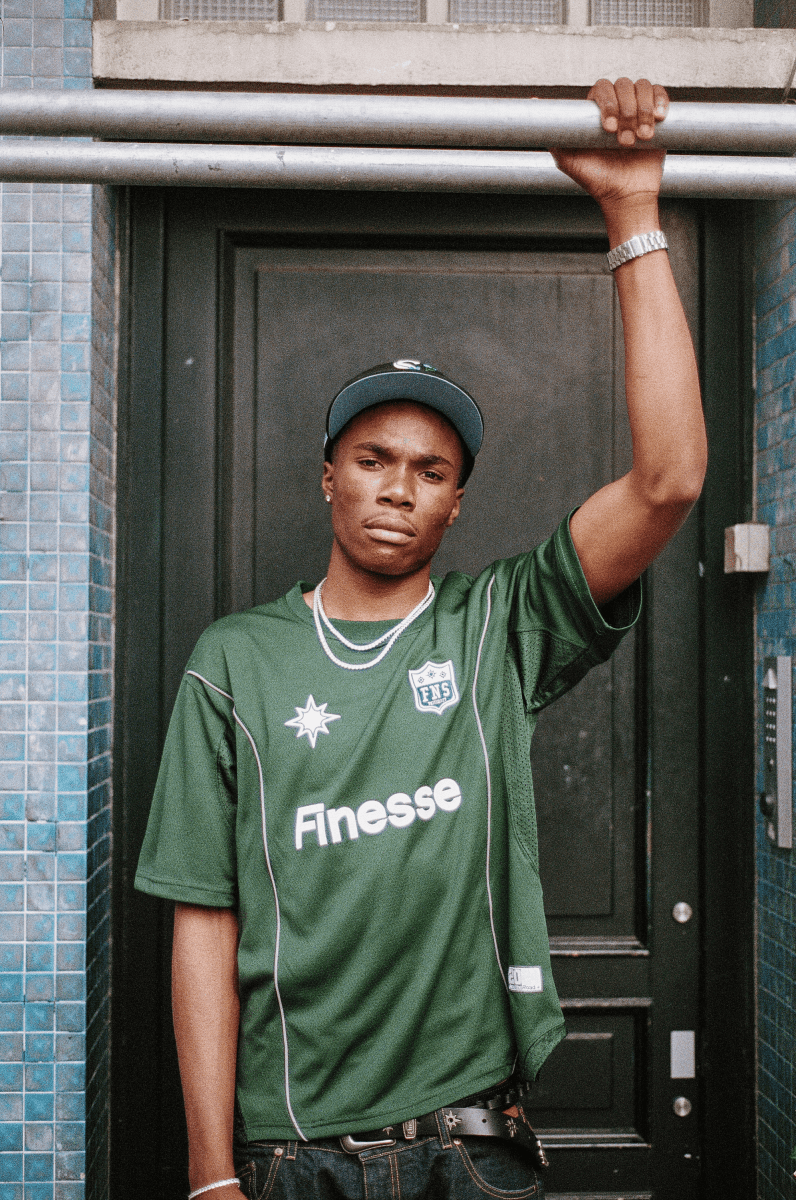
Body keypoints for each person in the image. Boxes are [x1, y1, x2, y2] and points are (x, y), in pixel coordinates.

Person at [135, 77, 706, 1200]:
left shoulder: (498, 625)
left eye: (431, 471)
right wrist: (208, 1174)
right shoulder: (234, 662)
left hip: (471, 1146)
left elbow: (670, 480)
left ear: (454, 505)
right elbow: (203, 921)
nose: (399, 487)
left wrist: (633, 211)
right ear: (329, 478)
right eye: (374, 459)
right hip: (294, 1153)